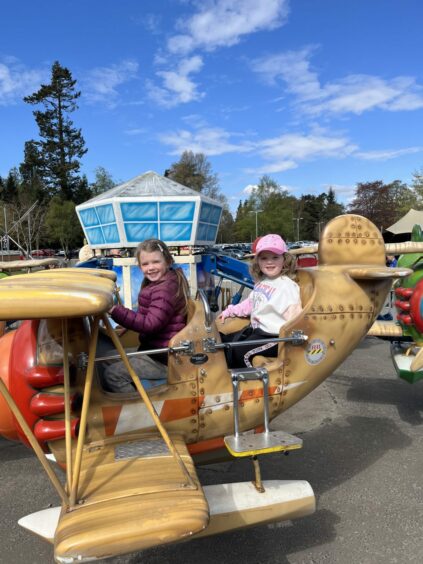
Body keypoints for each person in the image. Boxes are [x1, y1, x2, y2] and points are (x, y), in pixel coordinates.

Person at [104, 238, 190, 393]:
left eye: (156, 262)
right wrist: (126, 322)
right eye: (145, 264)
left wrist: (115, 311)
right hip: (154, 348)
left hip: (164, 358)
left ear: (168, 262)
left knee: (112, 374)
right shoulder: (157, 284)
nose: (151, 268)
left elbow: (151, 324)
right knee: (106, 358)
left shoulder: (164, 289)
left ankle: (138, 410)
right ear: (139, 266)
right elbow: (149, 315)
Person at [218, 234, 302, 368]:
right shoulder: (263, 282)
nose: (270, 262)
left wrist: (290, 343)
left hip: (274, 337)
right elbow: (251, 303)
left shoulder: (287, 286)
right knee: (225, 341)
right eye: (264, 258)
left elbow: (295, 317)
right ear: (258, 262)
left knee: (240, 352)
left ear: (284, 259)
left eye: (275, 257)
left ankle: (247, 382)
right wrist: (231, 311)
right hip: (257, 331)